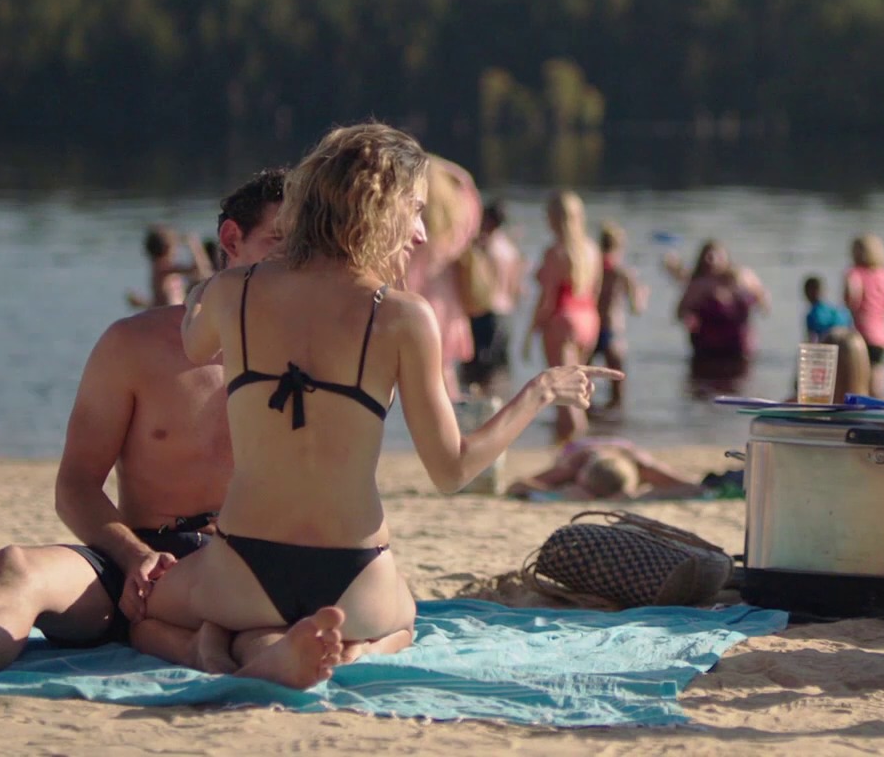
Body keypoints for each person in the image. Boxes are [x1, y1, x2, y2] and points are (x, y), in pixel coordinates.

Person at [125, 124, 617, 689]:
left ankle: (215, 648)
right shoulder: (403, 316)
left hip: (243, 568)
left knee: (142, 616)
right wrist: (540, 391)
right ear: (377, 208)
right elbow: (452, 469)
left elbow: (195, 346)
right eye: (416, 211)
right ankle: (349, 654)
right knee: (403, 622)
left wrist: (200, 292)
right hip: (354, 579)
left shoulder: (233, 291)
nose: (422, 233)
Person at [0, 170, 290, 690]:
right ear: (232, 240)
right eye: (280, 243)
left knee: (277, 613)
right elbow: (76, 487)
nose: (297, 264)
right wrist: (133, 555)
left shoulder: (312, 357)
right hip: (136, 561)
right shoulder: (134, 344)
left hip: (244, 563)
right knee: (17, 568)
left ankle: (268, 663)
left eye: (309, 249)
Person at [404, 157, 481, 402]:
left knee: (423, 376)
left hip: (421, 298)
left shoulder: (417, 229)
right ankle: (451, 418)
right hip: (448, 300)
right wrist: (449, 170)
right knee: (445, 371)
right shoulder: (458, 222)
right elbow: (468, 186)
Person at [527, 191, 603, 441]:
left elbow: (547, 299)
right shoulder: (592, 249)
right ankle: (574, 443)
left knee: (564, 396)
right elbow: (596, 290)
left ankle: (571, 445)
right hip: (588, 318)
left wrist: (531, 330)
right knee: (577, 390)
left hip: (563, 319)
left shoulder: (556, 252)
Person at [678, 241, 770, 383]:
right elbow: (681, 311)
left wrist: (757, 300)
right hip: (707, 349)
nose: (711, 260)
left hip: (740, 348)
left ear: (726, 256)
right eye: (708, 256)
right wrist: (689, 319)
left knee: (740, 386)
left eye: (716, 255)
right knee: (703, 388)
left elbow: (764, 300)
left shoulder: (743, 277)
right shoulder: (700, 284)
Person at [506, 437, 698, 501]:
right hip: (581, 449)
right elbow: (516, 486)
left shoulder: (643, 466)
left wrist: (644, 495)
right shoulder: (576, 464)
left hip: (622, 453)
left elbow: (696, 488)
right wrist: (557, 492)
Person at [461, 200, 524, 391]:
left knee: (475, 371)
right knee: (499, 368)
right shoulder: (510, 249)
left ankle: (476, 406)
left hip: (486, 310)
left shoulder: (483, 248)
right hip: (506, 313)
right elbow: (517, 288)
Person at [844, 234, 884, 399]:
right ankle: (880, 406)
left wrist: (852, 306)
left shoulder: (855, 273)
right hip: (883, 335)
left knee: (859, 380)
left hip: (861, 333)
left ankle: (862, 408)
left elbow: (852, 293)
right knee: (877, 379)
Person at [591, 222, 647, 410]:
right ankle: (613, 422)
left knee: (582, 386)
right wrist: (643, 294)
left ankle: (590, 420)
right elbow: (637, 309)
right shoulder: (623, 272)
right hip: (612, 330)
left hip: (590, 329)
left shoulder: (592, 268)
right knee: (617, 391)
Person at [129, 225, 213, 308]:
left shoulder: (163, 269)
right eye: (175, 245)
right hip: (170, 314)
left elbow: (201, 273)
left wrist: (142, 303)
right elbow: (199, 270)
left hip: (173, 312)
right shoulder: (162, 268)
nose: (177, 249)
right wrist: (194, 245)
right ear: (167, 248)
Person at [803, 276, 852, 342]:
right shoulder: (839, 311)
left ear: (807, 292)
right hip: (847, 341)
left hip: (829, 344)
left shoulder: (812, 315)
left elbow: (811, 340)